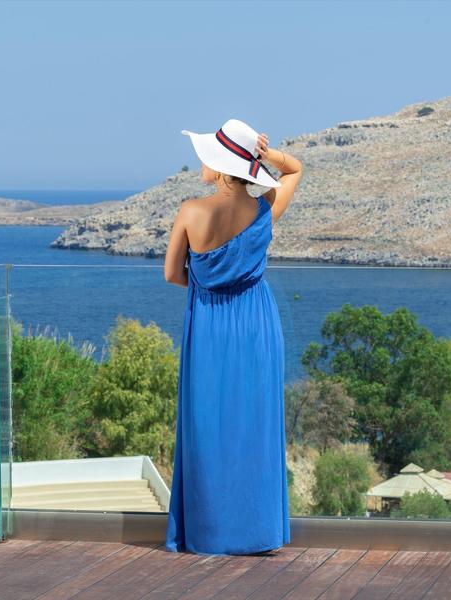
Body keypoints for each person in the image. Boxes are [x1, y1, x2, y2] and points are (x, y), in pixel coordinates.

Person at [163, 118, 303, 556]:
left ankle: (210, 532)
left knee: (208, 425)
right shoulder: (264, 209)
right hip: (257, 324)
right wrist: (269, 155)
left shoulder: (190, 211)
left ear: (222, 166)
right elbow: (295, 170)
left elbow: (172, 275)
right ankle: (256, 531)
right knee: (253, 426)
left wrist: (209, 285)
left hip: (208, 323)